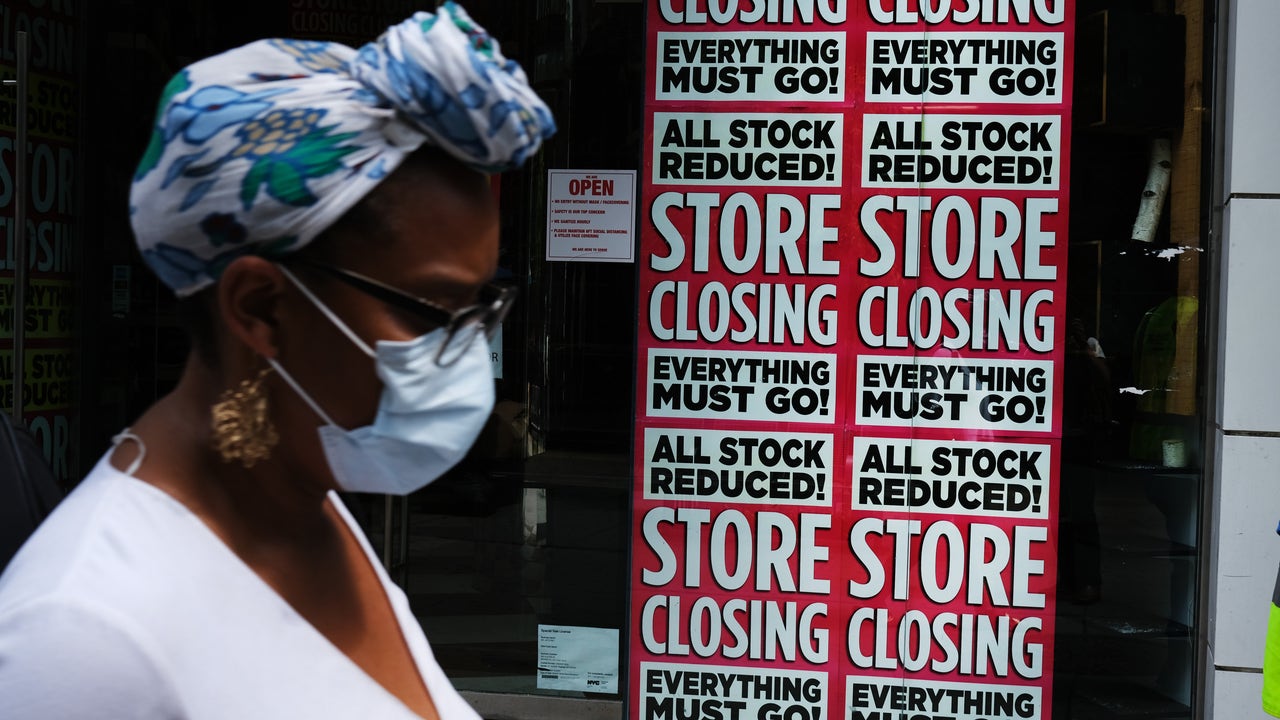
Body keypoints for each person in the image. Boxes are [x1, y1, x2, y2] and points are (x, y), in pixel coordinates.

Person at [0, 4, 554, 718]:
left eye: (482, 305)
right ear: (259, 307)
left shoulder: (310, 504)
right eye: (430, 310)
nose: (468, 348)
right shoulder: (82, 639)